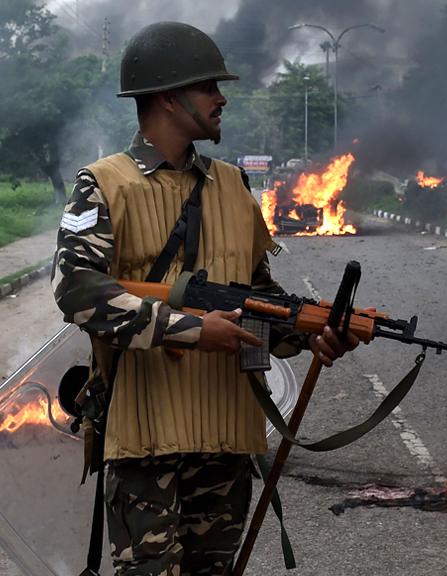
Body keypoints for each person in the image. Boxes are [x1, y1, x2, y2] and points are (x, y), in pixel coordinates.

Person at [51, 21, 355, 575]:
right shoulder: (103, 184)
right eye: (209, 87)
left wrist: (310, 332)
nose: (222, 99)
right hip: (144, 442)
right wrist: (189, 329)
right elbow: (77, 290)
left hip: (227, 439)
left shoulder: (235, 189)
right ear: (169, 98)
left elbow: (259, 302)